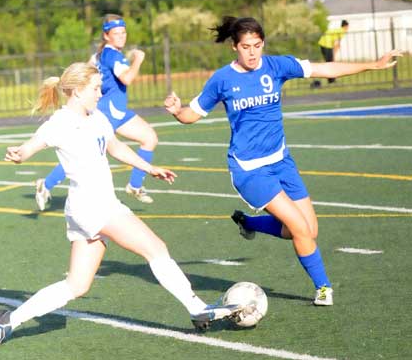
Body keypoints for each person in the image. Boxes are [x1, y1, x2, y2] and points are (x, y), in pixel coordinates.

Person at [164, 16, 402, 306]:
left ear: (263, 44)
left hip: (281, 161)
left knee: (307, 230)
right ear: (234, 47)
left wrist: (372, 65)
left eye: (257, 45)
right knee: (301, 230)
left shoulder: (277, 66)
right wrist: (178, 111)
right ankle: (323, 288)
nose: (252, 52)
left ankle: (250, 223)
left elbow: (324, 67)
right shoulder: (222, 79)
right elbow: (192, 114)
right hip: (249, 170)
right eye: (245, 46)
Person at [0, 62, 242, 345]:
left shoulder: (96, 116)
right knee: (156, 249)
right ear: (77, 91)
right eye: (95, 88)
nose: (100, 93)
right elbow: (31, 145)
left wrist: (148, 168)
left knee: (76, 285)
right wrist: (20, 153)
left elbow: (116, 148)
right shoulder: (61, 122)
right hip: (93, 206)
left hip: (91, 207)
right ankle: (197, 308)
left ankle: (7, 322)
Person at [35, 13, 158, 211]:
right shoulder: (112, 55)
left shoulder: (99, 55)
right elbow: (126, 79)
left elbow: (89, 70)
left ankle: (134, 185)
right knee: (84, 155)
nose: (121, 36)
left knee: (149, 137)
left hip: (118, 111)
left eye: (123, 32)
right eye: (116, 33)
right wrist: (138, 60)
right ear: (106, 35)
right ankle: (45, 185)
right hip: (107, 112)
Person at [316, 20, 350, 84]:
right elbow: (336, 44)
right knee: (330, 63)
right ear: (345, 26)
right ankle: (331, 80)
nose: (348, 29)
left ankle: (331, 80)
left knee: (329, 63)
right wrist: (334, 55)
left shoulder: (338, 30)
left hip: (322, 44)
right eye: (348, 27)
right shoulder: (342, 31)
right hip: (327, 45)